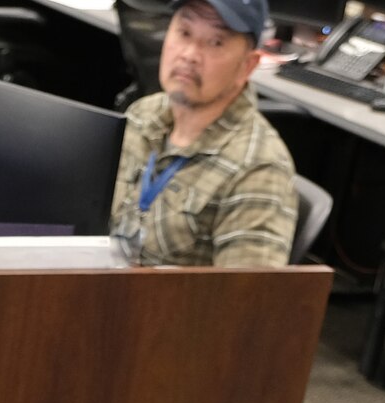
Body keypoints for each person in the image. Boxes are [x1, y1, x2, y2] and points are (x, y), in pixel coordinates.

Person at [110, 0, 297, 267]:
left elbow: (245, 302)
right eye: (184, 33)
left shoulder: (258, 168)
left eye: (216, 42)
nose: (189, 54)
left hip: (166, 306)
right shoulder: (142, 115)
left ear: (247, 66)